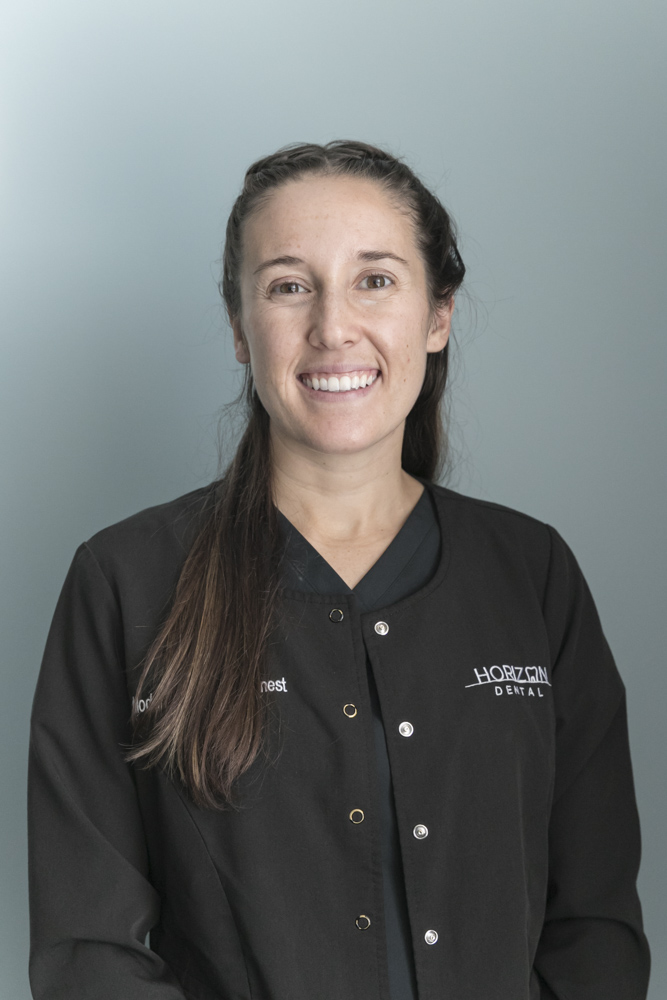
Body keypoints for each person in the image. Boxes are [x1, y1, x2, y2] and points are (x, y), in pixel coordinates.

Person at [27, 140, 651, 1000]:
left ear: (437, 316)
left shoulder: (531, 574)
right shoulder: (124, 582)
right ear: (241, 328)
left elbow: (596, 924)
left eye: (375, 279)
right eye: (289, 285)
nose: (332, 327)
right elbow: (87, 949)